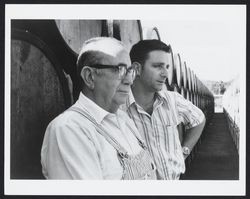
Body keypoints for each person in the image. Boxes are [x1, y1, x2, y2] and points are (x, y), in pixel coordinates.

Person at [41, 37, 156, 180]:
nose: (129, 80)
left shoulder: (124, 119)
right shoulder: (69, 129)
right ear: (89, 77)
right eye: (120, 70)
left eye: (130, 71)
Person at [121, 39, 206, 180]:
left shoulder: (173, 100)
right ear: (136, 68)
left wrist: (184, 151)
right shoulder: (119, 108)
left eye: (167, 66)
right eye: (158, 66)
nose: (165, 73)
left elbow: (199, 119)